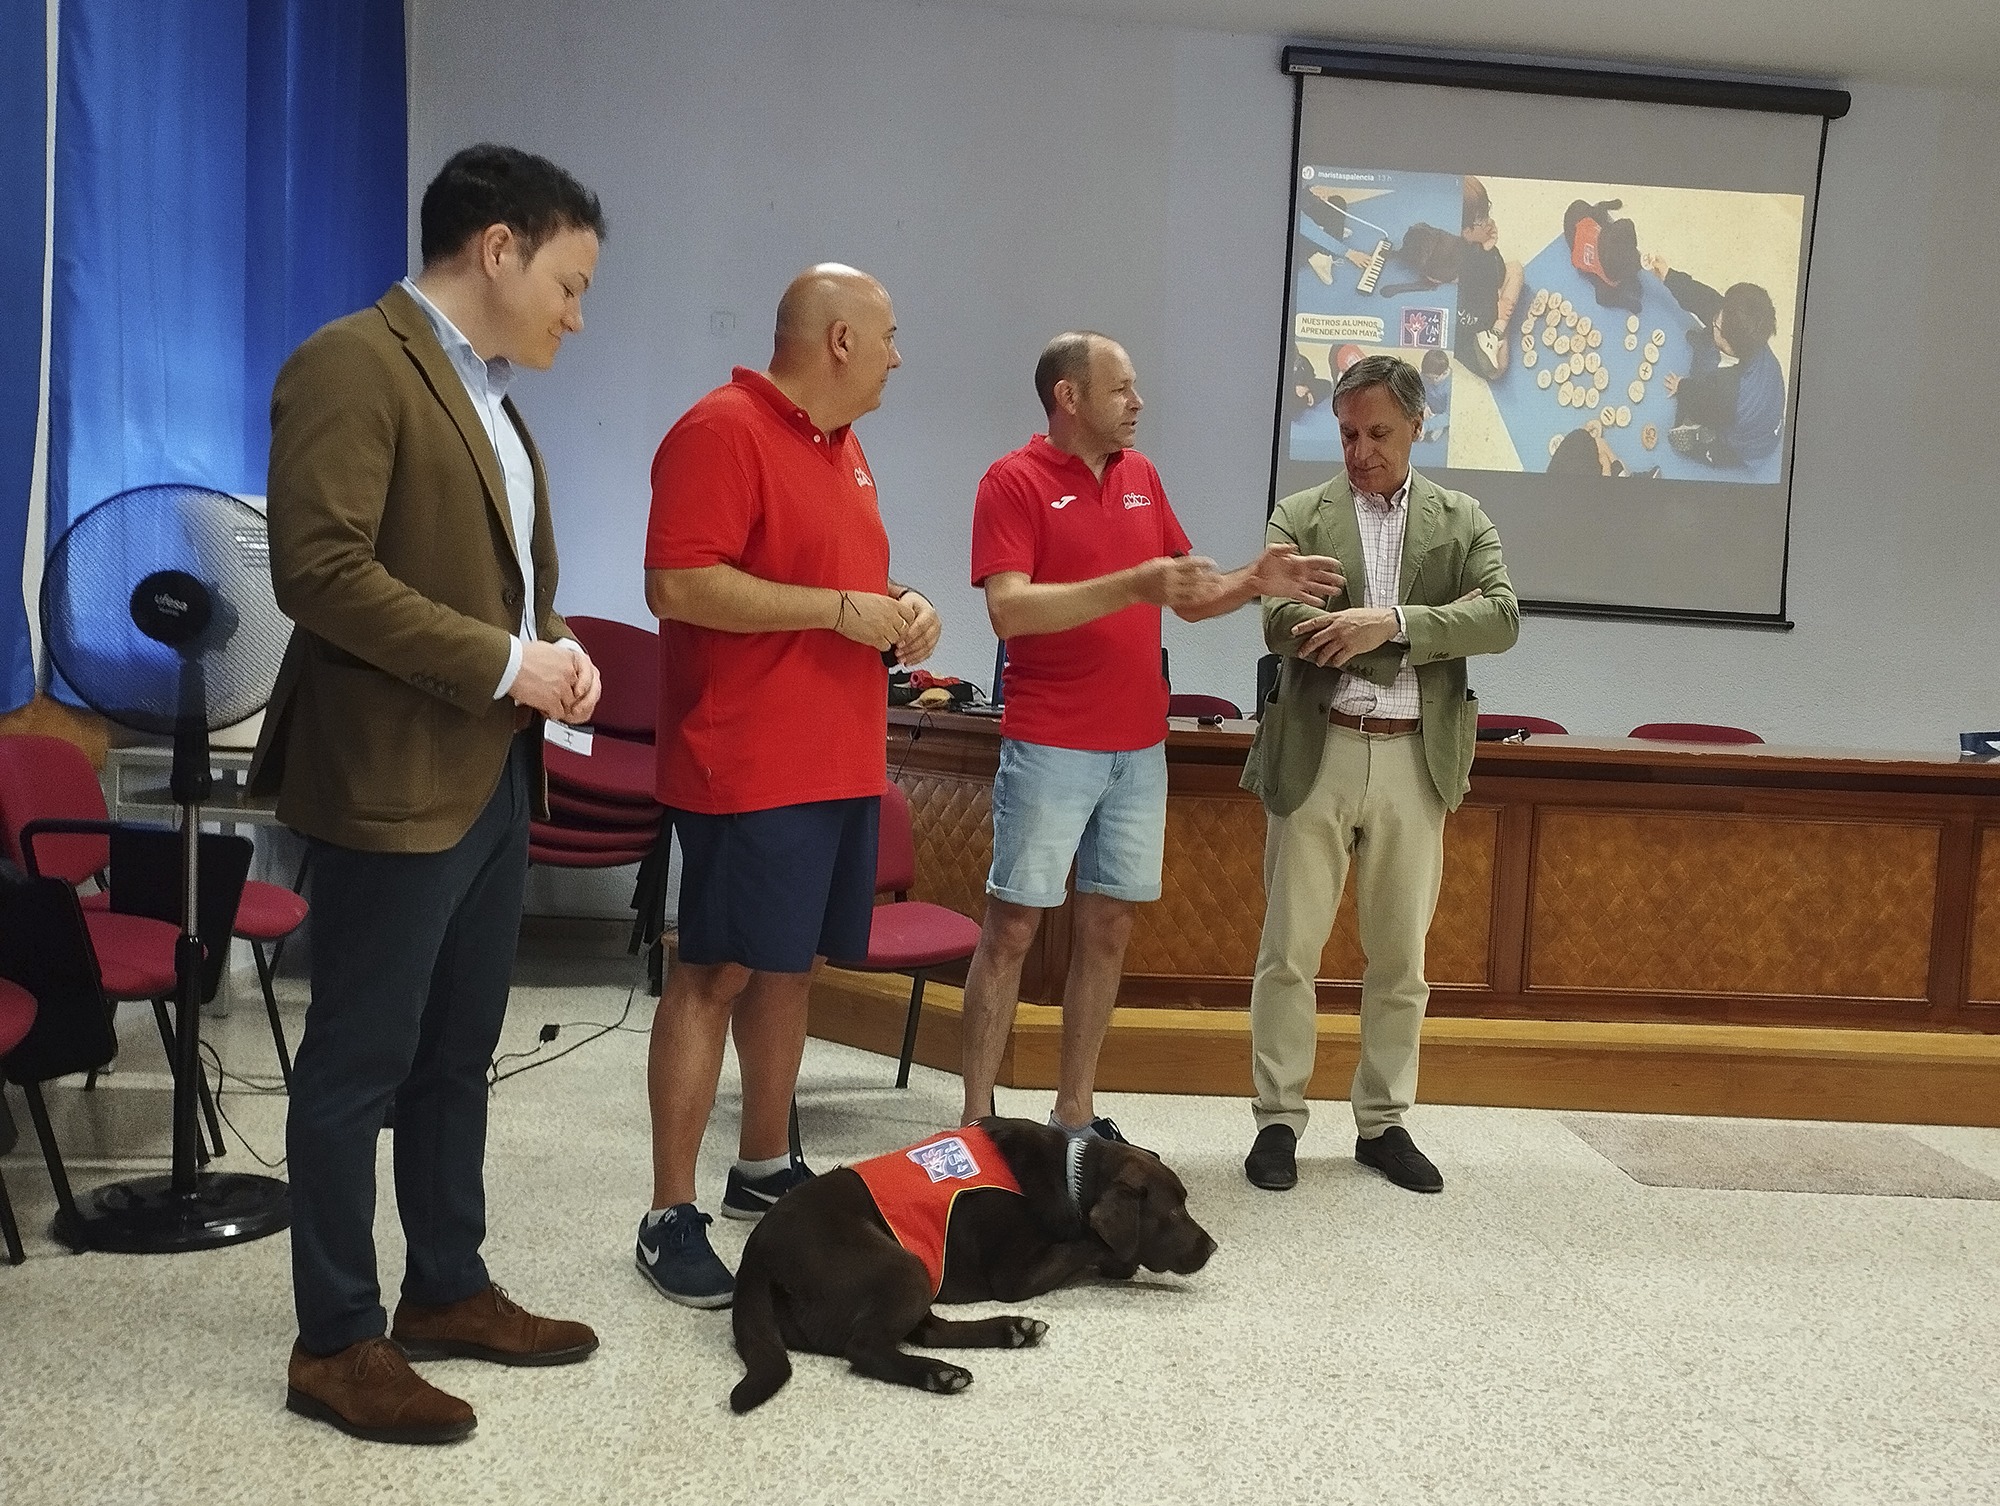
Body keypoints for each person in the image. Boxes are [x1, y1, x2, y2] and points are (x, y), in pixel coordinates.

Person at [251, 144, 608, 1444]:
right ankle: (336, 1340)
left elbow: (493, 585)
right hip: (392, 776)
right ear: (498, 249)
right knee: (360, 1061)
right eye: (569, 284)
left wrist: (554, 649)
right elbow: (319, 570)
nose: (576, 315)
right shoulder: (353, 361)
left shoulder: (491, 398)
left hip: (491, 770)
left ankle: (447, 1285)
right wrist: (510, 663)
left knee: (458, 1053)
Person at [638, 264, 939, 1308]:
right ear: (840, 340)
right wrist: (834, 610)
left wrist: (899, 606)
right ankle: (668, 1214)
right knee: (715, 971)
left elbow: (830, 584)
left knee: (791, 966)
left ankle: (763, 1166)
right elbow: (677, 583)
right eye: (888, 336)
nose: (899, 355)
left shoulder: (844, 449)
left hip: (837, 756)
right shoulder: (719, 430)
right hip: (746, 762)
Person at [959, 331, 1343, 1142]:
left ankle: (1074, 1112)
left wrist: (1252, 580)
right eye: (1121, 388)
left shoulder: (1141, 477)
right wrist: (1134, 584)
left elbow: (1185, 595)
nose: (1138, 403)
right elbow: (1009, 609)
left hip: (1138, 749)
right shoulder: (1013, 480)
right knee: (1013, 929)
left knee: (1109, 928)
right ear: (1069, 397)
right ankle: (977, 1120)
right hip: (1051, 742)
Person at [1240, 354, 1518, 1197]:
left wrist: (1387, 624)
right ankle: (1277, 1121)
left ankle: (1383, 1124)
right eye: (1348, 434)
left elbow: (1501, 617)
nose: (1360, 452)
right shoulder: (1300, 513)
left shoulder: (1461, 518)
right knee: (1288, 951)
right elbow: (1279, 620)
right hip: (1316, 751)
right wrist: (1382, 632)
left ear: (1418, 427)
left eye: (1379, 434)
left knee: (1401, 958)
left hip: (1412, 758)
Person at [1645, 257, 1786, 469]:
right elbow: (1706, 300)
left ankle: (1707, 447)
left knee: (1707, 436)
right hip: (1750, 403)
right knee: (1710, 345)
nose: (1713, 319)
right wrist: (1669, 276)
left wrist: (1682, 386)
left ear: (1730, 346)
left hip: (1750, 443)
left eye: (1717, 326)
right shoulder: (1747, 334)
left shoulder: (1729, 392)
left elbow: (1705, 404)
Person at [1564, 198, 1643, 316]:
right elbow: (1602, 299)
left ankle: (1602, 206)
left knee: (1601, 220)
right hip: (1573, 223)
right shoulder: (1605, 276)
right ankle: (1600, 207)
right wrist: (1627, 303)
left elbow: (1626, 225)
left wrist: (1632, 246)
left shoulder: (1610, 237)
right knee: (1598, 280)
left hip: (1584, 215)